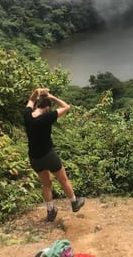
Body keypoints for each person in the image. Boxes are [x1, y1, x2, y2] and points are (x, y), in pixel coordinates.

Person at [24, 88, 85, 222]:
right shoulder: (48, 116)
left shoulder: (27, 115)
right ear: (47, 108)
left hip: (35, 158)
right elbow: (66, 107)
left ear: (37, 106)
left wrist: (36, 91)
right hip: (48, 155)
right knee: (63, 179)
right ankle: (74, 202)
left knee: (46, 184)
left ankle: (50, 210)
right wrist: (52, 97)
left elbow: (31, 99)